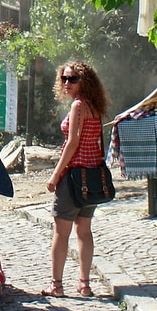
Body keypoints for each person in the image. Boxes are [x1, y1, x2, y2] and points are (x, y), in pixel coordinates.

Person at [43, 60, 110, 298]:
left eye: (73, 79)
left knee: (61, 231)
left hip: (73, 176)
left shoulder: (78, 106)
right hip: (92, 176)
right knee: (84, 230)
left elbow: (72, 144)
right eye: (64, 78)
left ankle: (56, 284)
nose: (67, 83)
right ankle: (84, 283)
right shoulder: (94, 106)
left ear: (84, 82)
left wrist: (55, 175)